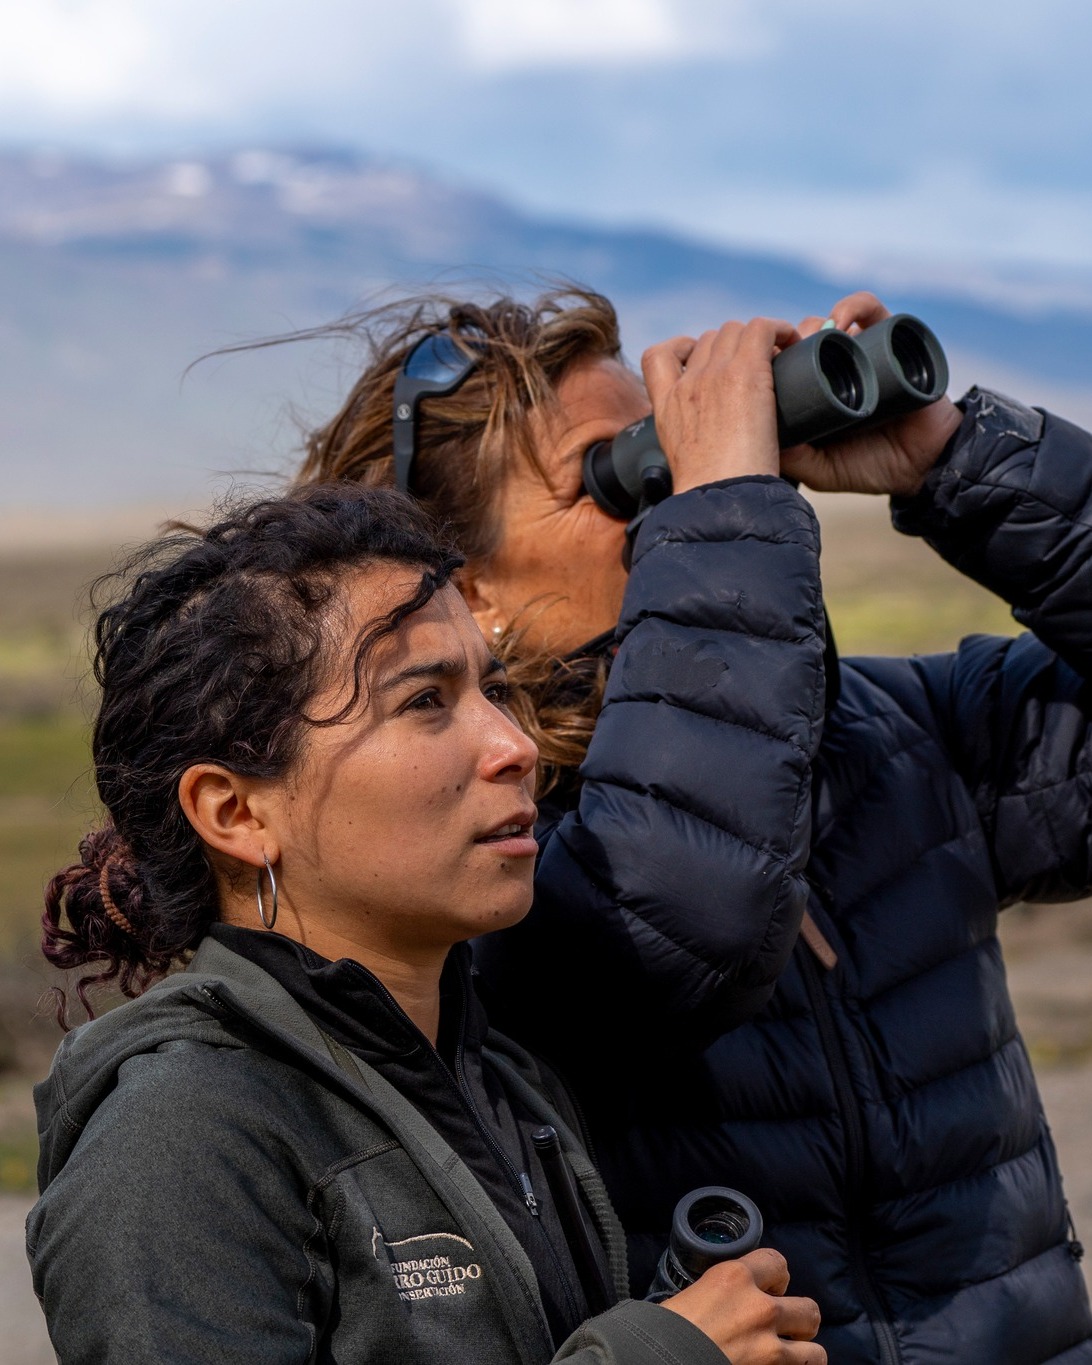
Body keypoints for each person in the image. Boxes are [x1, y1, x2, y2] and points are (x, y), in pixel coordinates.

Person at [295, 285, 1092, 1363]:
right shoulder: (470, 837)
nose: (668, 492)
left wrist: (956, 460)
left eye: (667, 450)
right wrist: (724, 502)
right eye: (617, 473)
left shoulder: (889, 732)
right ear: (465, 585)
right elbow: (688, 920)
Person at [27, 483, 827, 1364]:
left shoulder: (505, 1078)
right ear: (237, 814)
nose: (512, 744)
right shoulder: (179, 1142)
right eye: (424, 702)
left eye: (491, 687)